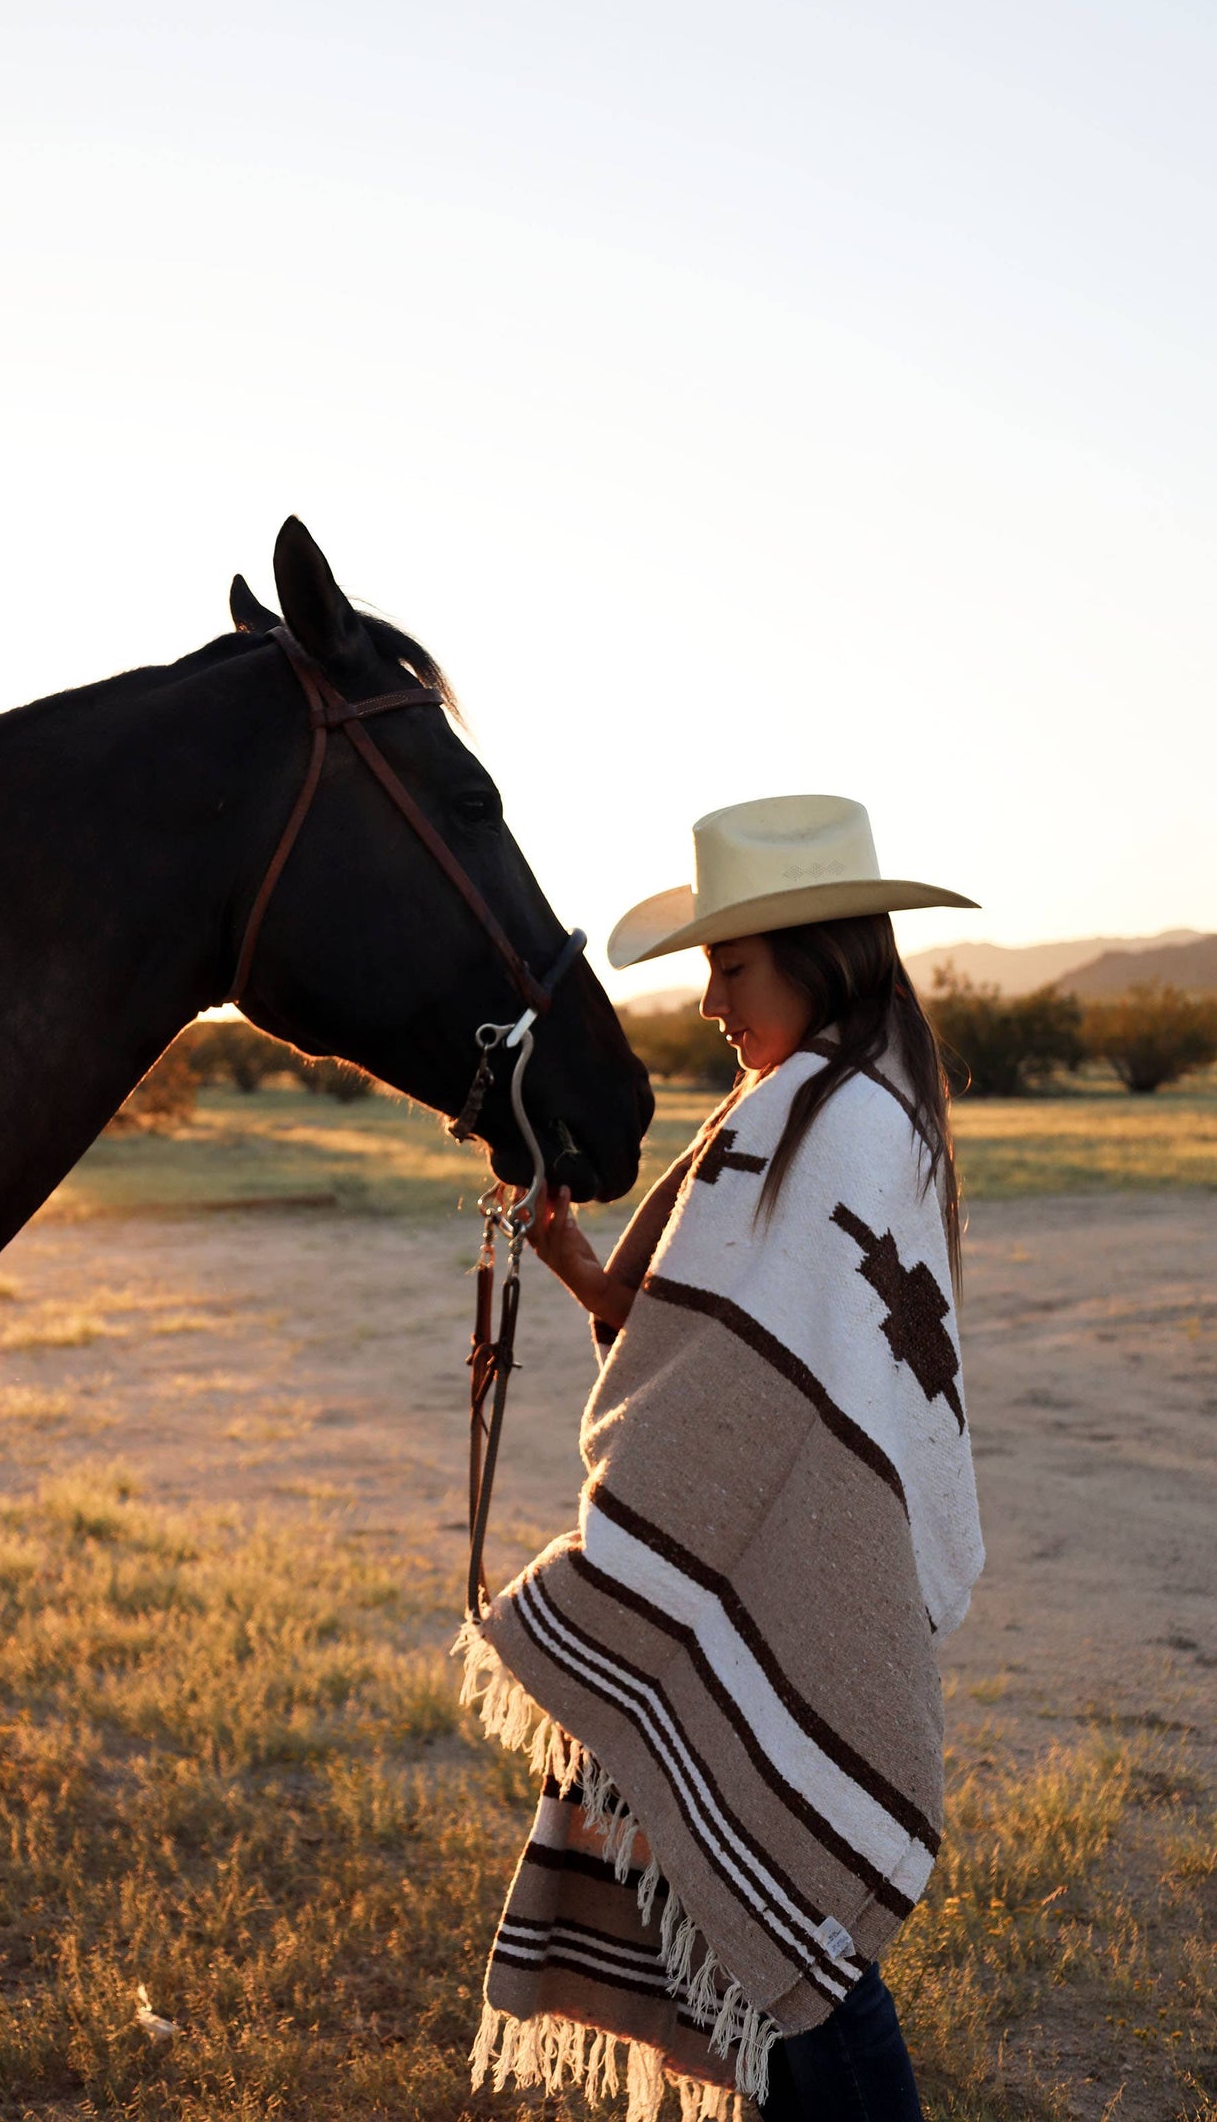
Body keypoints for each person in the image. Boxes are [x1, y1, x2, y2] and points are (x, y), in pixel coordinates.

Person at [458, 794, 984, 2122]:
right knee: (741, 1891)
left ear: (819, 954)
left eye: (728, 964)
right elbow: (736, 1352)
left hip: (794, 1556)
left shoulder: (836, 1122)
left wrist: (622, 1575)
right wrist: (580, 1263)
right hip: (764, 1542)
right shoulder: (820, 1105)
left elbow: (772, 1391)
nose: (705, 1001)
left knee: (795, 1930)